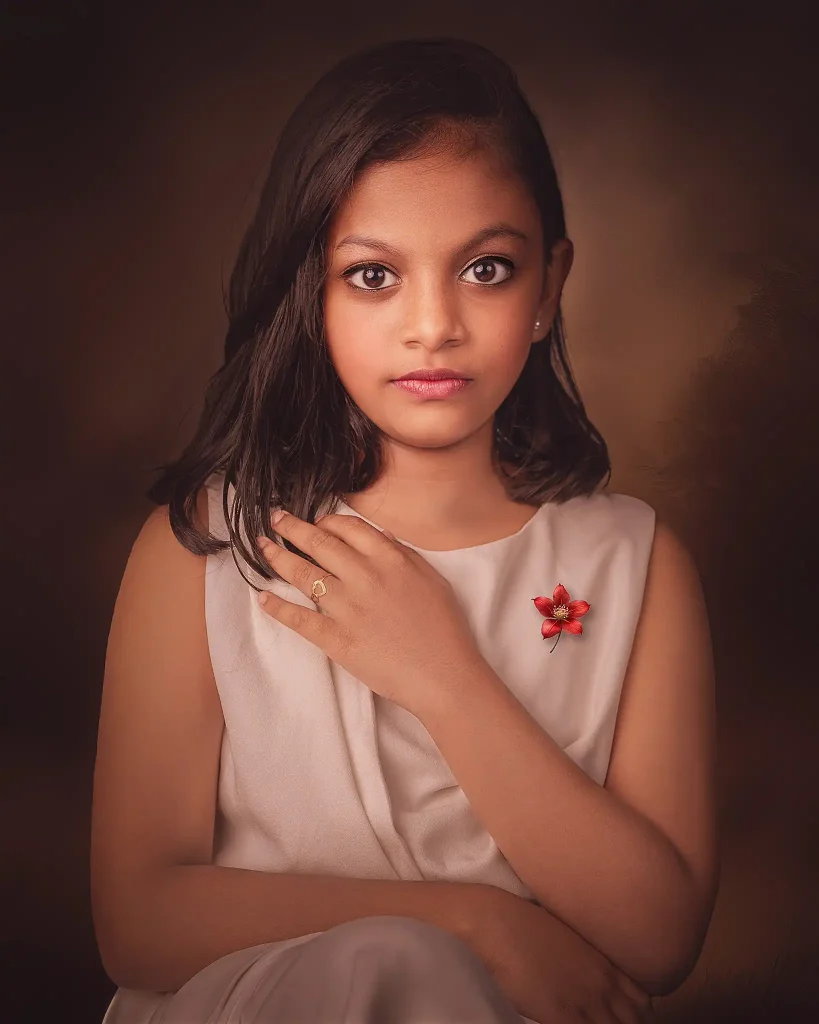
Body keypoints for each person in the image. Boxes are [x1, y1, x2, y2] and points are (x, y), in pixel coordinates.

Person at [91, 36, 719, 1024]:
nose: (433, 325)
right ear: (311, 291)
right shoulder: (206, 551)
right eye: (375, 277)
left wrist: (443, 675)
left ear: (550, 285)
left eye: (486, 268)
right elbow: (137, 918)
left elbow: (660, 937)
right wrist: (473, 924)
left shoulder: (634, 564)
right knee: (396, 966)